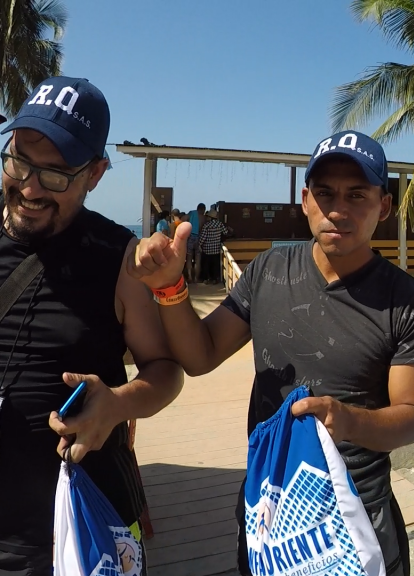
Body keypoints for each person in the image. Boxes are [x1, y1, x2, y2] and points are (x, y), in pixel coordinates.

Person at [127, 130, 414, 576]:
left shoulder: (405, 299)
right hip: (268, 508)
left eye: (357, 195)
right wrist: (171, 289)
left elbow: (411, 416)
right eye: (326, 193)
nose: (338, 209)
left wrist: (348, 420)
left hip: (358, 515)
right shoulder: (268, 272)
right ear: (306, 199)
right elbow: (200, 355)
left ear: (383, 205)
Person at [0, 76, 183, 574]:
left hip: (81, 531)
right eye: (18, 161)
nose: (31, 188)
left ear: (96, 173)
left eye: (57, 174)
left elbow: (166, 370)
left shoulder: (118, 259)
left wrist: (118, 405)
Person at [198, 209, 231, 284]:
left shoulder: (206, 225)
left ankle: (206, 279)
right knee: (215, 265)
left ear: (210, 217)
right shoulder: (220, 224)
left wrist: (199, 245)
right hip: (216, 248)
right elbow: (226, 232)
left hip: (207, 249)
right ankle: (215, 278)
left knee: (206, 265)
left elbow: (203, 237)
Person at [185, 202, 205, 282]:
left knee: (189, 258)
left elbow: (183, 219)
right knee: (198, 259)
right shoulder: (203, 218)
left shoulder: (191, 213)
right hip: (198, 238)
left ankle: (190, 276)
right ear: (203, 210)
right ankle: (196, 278)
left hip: (190, 237)